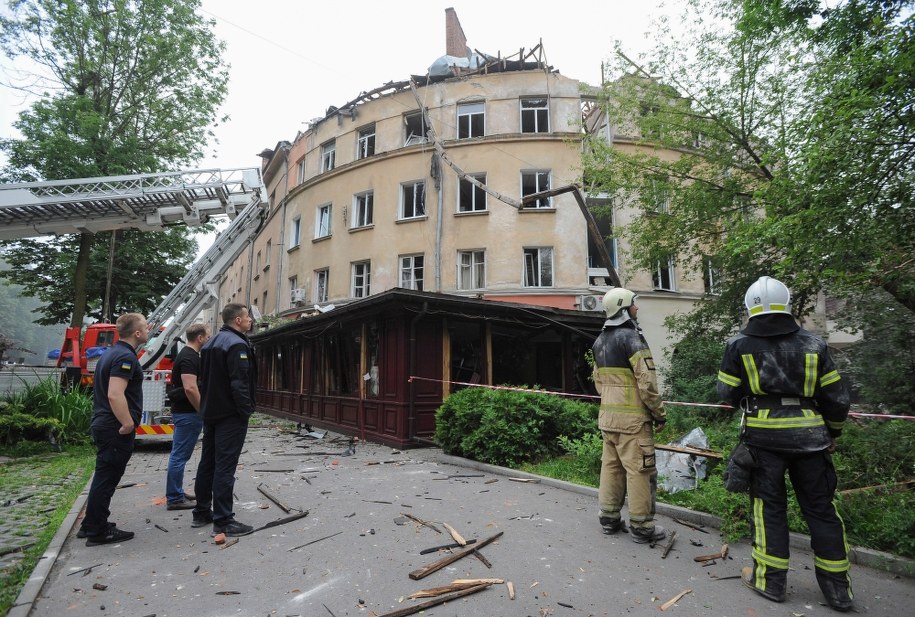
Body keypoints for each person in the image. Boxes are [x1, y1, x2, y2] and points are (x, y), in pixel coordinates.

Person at [717, 276, 852, 611]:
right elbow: (837, 399)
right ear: (786, 304)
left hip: (763, 440)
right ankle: (837, 590)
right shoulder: (815, 344)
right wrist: (832, 433)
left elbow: (726, 394)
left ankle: (770, 582)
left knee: (768, 510)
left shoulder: (738, 346)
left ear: (750, 308)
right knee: (821, 509)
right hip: (811, 439)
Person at [591, 288, 667, 544]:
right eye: (634, 304)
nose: (637, 308)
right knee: (640, 471)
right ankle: (642, 527)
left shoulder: (599, 342)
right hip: (634, 422)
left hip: (608, 419)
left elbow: (598, 384)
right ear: (624, 308)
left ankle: (609, 519)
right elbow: (647, 383)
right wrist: (659, 413)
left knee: (611, 468)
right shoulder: (633, 339)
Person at [79, 313, 148, 546]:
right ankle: (97, 531)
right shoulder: (124, 357)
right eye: (145, 327)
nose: (148, 330)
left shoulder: (112, 353)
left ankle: (91, 524)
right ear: (137, 333)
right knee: (107, 479)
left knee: (104, 476)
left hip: (105, 424)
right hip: (114, 427)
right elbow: (115, 394)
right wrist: (127, 423)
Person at [192, 304, 257, 537]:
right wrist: (245, 410)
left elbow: (205, 380)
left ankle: (201, 512)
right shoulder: (237, 344)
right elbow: (239, 382)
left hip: (211, 411)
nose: (250, 320)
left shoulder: (210, 343)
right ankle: (223, 520)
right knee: (225, 466)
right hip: (230, 414)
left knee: (208, 463)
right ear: (238, 320)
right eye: (247, 317)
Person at [164, 323, 211, 509]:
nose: (209, 339)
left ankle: (176, 491)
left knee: (180, 454)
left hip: (186, 412)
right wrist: (202, 411)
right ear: (200, 338)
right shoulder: (190, 357)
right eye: (207, 336)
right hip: (188, 413)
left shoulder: (188, 355)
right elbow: (190, 388)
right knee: (179, 456)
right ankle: (174, 498)